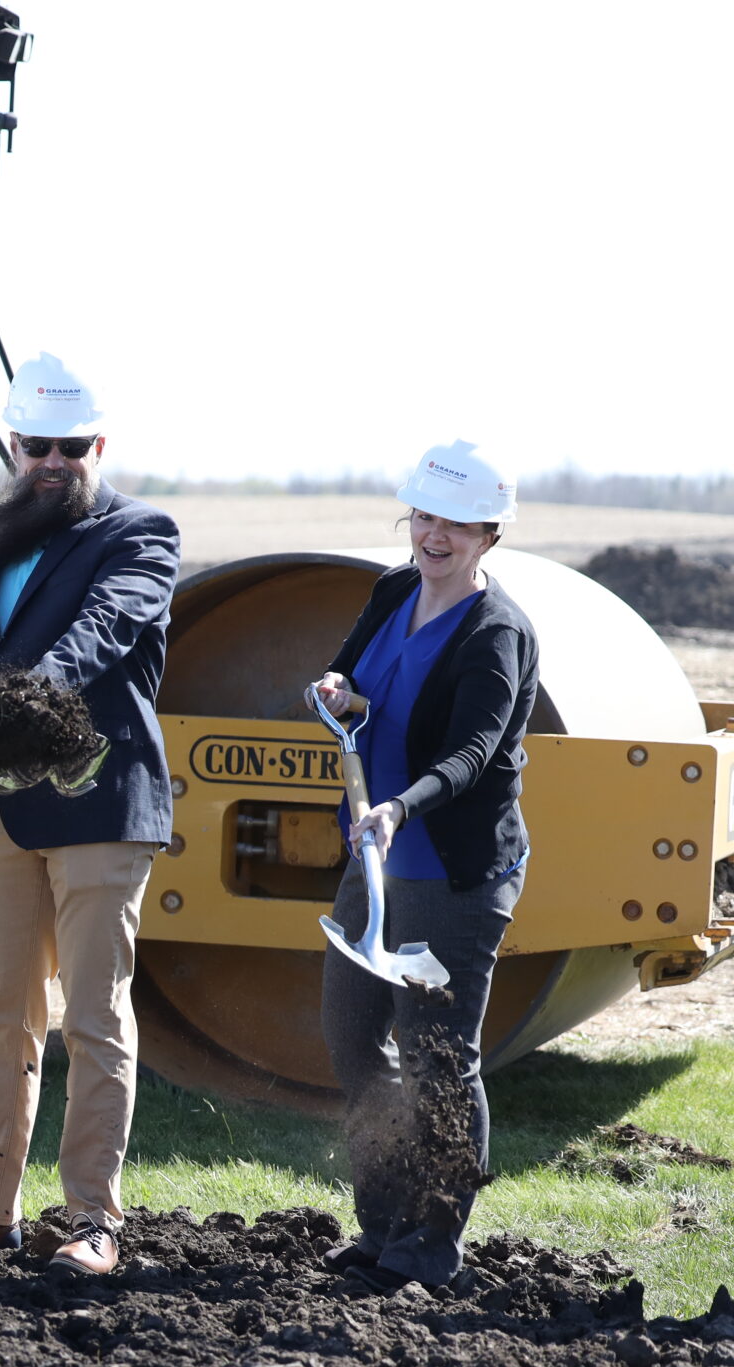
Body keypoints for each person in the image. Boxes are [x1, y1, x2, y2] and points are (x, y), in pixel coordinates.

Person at [0, 353, 177, 1277]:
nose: (52, 460)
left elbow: (103, 630)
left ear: (99, 445)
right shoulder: (6, 538)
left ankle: (94, 1219)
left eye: (71, 446)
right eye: (35, 446)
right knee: (1, 1015)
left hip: (99, 803)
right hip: (6, 813)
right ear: (14, 448)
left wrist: (13, 694)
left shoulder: (143, 533)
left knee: (93, 1015)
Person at [313, 440, 536, 1292]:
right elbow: (353, 668)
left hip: (452, 868)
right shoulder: (392, 588)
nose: (434, 536)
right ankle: (383, 1224)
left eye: (456, 524)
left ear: (490, 535)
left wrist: (402, 804)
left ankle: (434, 1241)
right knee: (351, 1035)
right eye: (425, 517)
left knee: (440, 1050)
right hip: (373, 854)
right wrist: (338, 692)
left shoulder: (498, 633)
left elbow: (476, 752)